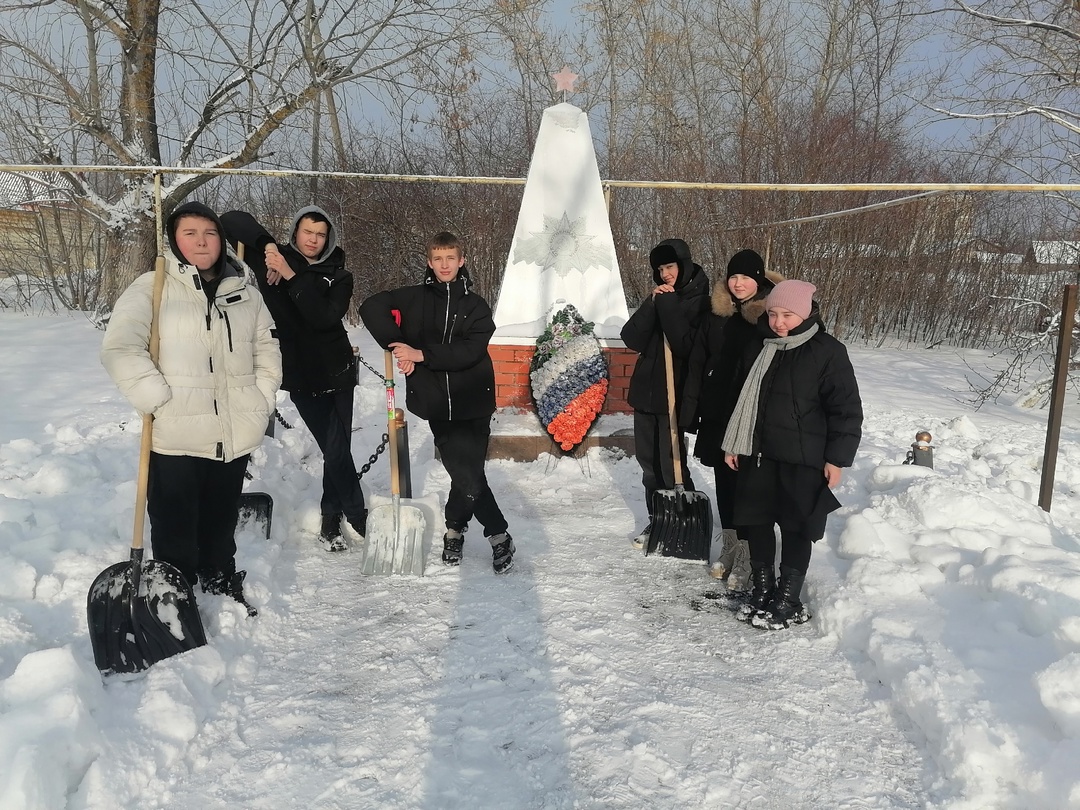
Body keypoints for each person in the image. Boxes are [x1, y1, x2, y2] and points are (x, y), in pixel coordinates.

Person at [100, 201, 282, 616]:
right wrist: (157, 399)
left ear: (221, 239)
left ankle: (219, 577)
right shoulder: (154, 287)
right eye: (190, 233)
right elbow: (120, 348)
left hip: (233, 430)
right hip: (176, 432)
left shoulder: (246, 294)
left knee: (220, 518)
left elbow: (267, 349)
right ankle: (176, 595)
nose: (202, 242)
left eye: (210, 233)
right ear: (174, 241)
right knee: (176, 524)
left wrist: (262, 396)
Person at [358, 231, 515, 574]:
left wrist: (421, 353)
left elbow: (470, 351)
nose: (444, 265)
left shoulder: (475, 306)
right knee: (466, 474)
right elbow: (370, 306)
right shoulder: (413, 298)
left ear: (462, 261)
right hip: (436, 403)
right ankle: (498, 533)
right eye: (438, 259)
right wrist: (397, 345)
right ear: (429, 262)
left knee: (469, 474)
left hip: (473, 400)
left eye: (451, 258)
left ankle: (454, 529)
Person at [220, 206, 366, 552]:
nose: (313, 240)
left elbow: (324, 316)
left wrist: (289, 274)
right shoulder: (273, 257)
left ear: (328, 239)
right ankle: (358, 512)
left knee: (338, 447)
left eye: (320, 234)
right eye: (307, 232)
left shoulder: (339, 275)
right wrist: (268, 245)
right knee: (333, 445)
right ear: (296, 232)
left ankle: (331, 518)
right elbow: (231, 220)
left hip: (339, 369)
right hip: (302, 373)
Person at [721, 279, 863, 630]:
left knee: (798, 527)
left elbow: (846, 409)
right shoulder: (760, 345)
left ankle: (788, 598)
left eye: (787, 315)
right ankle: (763, 587)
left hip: (804, 458)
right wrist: (734, 444)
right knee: (756, 523)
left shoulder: (827, 351)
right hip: (758, 454)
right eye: (772, 314)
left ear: (806, 313)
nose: (778, 322)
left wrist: (836, 458)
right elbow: (742, 402)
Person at [681, 249, 782, 589]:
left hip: (752, 415)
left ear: (759, 280)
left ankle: (749, 556)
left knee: (748, 486)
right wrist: (691, 411)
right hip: (718, 412)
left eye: (746, 277)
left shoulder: (771, 317)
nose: (739, 284)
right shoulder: (716, 316)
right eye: (733, 277)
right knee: (724, 481)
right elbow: (698, 362)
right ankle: (730, 547)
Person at [620, 238, 710, 548]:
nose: (665, 274)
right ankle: (658, 520)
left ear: (683, 265)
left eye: (669, 267)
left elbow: (685, 345)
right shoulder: (660, 297)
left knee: (671, 462)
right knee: (648, 464)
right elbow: (631, 338)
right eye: (660, 269)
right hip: (646, 393)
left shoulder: (702, 301)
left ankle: (684, 521)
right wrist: (651, 303)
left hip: (675, 395)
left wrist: (668, 305)